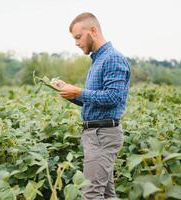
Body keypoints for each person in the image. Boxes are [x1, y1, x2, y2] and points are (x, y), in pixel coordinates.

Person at [55, 12, 130, 199]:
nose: (76, 43)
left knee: (91, 193)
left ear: (93, 31)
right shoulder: (98, 59)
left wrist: (79, 91)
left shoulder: (112, 58)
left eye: (78, 37)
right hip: (97, 134)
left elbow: (114, 97)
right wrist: (69, 93)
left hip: (102, 135)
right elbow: (94, 100)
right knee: (106, 193)